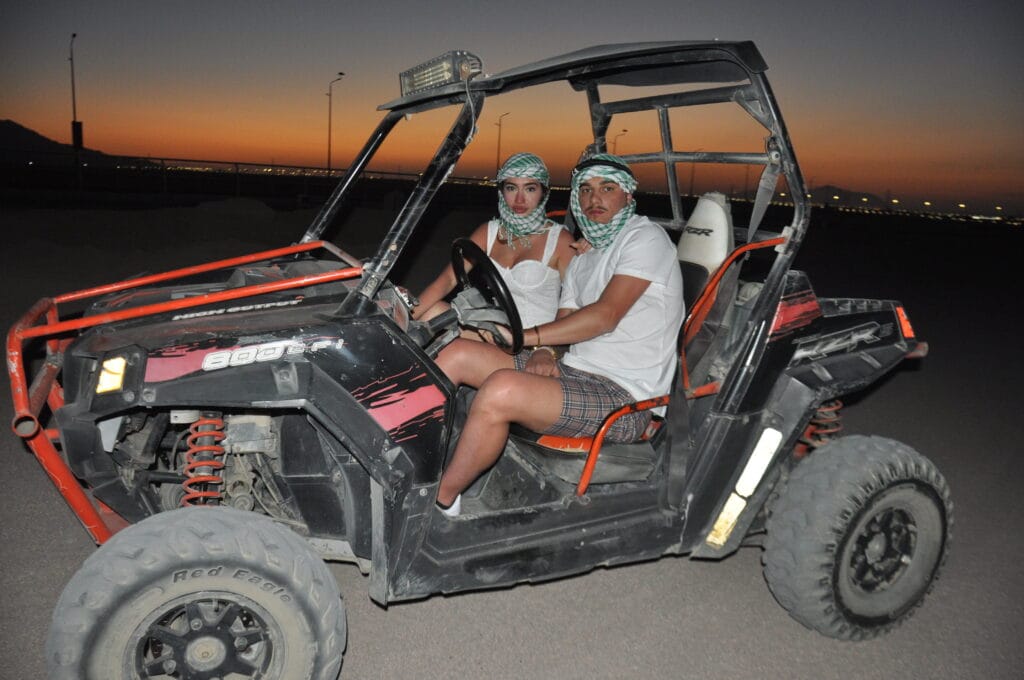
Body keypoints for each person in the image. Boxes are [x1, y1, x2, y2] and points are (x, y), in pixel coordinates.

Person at [435, 153, 685, 516]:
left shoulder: (646, 239)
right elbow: (565, 319)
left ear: (628, 197)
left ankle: (441, 501)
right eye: (585, 189)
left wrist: (524, 337)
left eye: (607, 188)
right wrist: (546, 353)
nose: (594, 199)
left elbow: (605, 316)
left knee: (502, 389)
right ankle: (409, 457)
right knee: (455, 353)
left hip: (624, 396)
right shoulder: (585, 252)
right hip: (573, 371)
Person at [412, 152, 575, 329]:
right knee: (430, 312)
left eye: (530, 188)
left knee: (451, 353)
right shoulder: (488, 231)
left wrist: (547, 349)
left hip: (535, 344)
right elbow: (448, 280)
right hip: (496, 333)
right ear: (501, 191)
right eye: (512, 188)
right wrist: (406, 319)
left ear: (543, 192)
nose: (519, 199)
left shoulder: (560, 240)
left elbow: (573, 303)